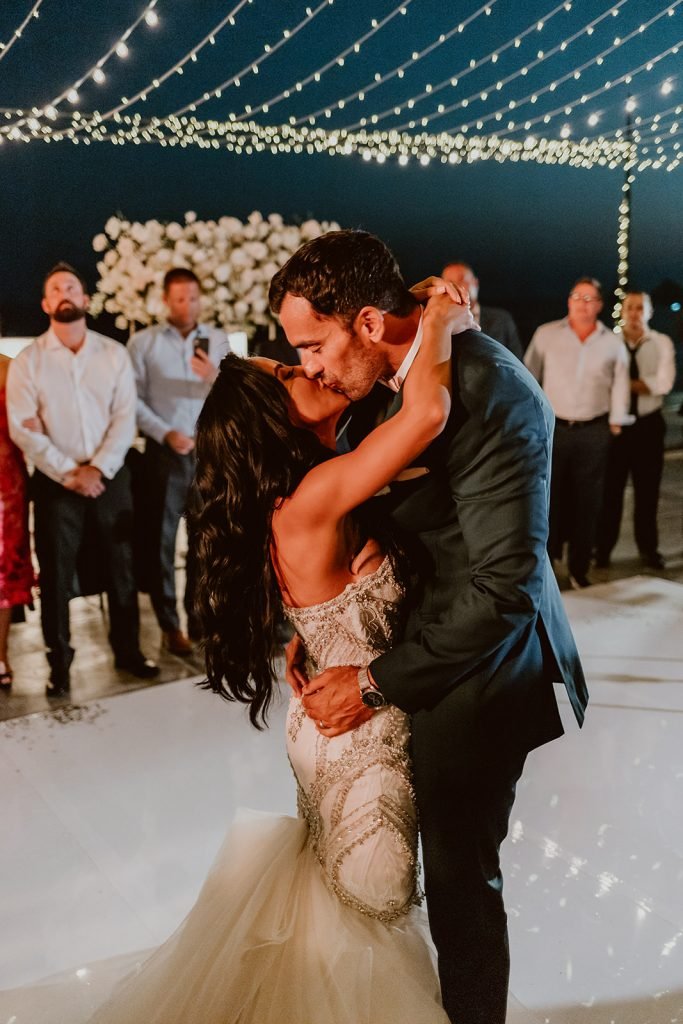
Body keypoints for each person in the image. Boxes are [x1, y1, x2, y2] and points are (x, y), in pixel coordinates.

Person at [0, 279, 469, 1024]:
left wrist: (306, 640)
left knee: (344, 911)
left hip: (330, 716)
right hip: (358, 740)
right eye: (287, 373)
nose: (307, 368)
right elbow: (429, 412)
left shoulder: (306, 493)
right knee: (367, 934)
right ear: (269, 418)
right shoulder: (314, 497)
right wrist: (441, 317)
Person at [270, 231, 588, 1024]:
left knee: (455, 879)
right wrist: (331, 627)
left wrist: (374, 682)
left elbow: (503, 586)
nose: (308, 368)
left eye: (312, 346)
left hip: (478, 670)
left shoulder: (495, 392)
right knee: (373, 869)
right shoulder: (387, 379)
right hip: (403, 643)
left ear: (369, 323)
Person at [6, 263, 158, 696]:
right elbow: (23, 429)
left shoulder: (113, 353)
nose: (64, 293)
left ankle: (128, 651)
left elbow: (124, 417)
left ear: (85, 299)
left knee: (122, 567)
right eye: (55, 288)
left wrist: (98, 468)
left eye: (71, 286)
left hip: (111, 476)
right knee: (56, 575)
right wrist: (68, 471)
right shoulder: (29, 362)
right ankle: (61, 665)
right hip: (57, 484)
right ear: (46, 304)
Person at [127, 268, 230, 655]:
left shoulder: (217, 340)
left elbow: (234, 395)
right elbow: (131, 400)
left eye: (194, 297)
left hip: (209, 454)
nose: (188, 305)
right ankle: (169, 625)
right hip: (165, 453)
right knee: (162, 542)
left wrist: (214, 376)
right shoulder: (143, 344)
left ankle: (200, 618)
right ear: (166, 301)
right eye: (180, 298)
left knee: (207, 540)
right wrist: (165, 432)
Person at [524, 277, 630, 588]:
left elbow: (621, 382)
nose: (582, 303)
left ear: (599, 305)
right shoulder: (546, 335)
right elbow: (529, 377)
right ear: (568, 301)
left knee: (589, 501)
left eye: (589, 298)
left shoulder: (612, 342)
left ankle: (580, 566)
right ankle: (546, 561)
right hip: (554, 429)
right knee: (547, 496)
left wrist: (616, 422)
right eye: (576, 296)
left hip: (594, 430)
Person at [595, 290, 676, 570]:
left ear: (649, 312)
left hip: (649, 425)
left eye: (640, 308)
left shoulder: (661, 342)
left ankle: (649, 550)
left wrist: (622, 384)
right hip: (616, 425)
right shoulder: (608, 343)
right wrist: (642, 382)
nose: (634, 313)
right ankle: (602, 550)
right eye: (630, 307)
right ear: (622, 310)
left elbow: (664, 383)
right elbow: (601, 382)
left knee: (647, 492)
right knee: (610, 492)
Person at [0, 353, 35, 690]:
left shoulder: (11, 368)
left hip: (5, 487)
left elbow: (30, 423)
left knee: (4, 573)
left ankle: (0, 653)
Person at [441, 260, 524, 359]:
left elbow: (518, 363)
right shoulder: (439, 325)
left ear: (475, 283)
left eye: (461, 280)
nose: (456, 287)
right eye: (450, 283)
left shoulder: (501, 320)